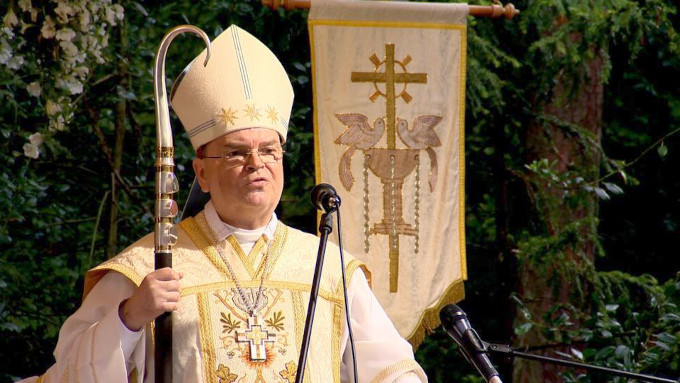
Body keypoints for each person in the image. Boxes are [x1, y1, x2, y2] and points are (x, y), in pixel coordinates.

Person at [20, 25, 427, 382]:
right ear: (201, 173)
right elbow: (67, 372)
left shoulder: (330, 269)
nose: (256, 165)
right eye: (235, 153)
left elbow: (391, 370)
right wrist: (129, 317)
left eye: (269, 151)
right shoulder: (149, 265)